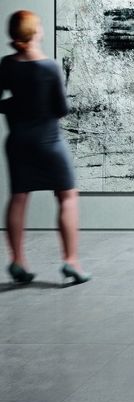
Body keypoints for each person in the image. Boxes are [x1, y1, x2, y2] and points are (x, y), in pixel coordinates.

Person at [0, 10, 89, 285]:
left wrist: (17, 105)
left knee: (18, 197)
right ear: (35, 32)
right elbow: (61, 109)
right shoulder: (49, 67)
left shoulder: (7, 64)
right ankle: (71, 261)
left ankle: (17, 260)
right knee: (67, 196)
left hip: (18, 141)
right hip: (49, 141)